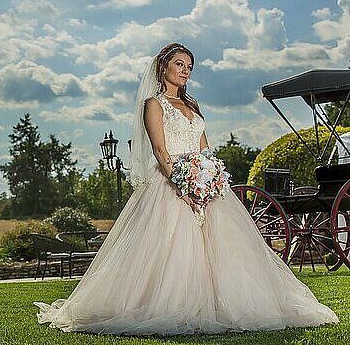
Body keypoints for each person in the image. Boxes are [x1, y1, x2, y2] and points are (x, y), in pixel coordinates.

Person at [33, 43, 339, 336]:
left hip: (204, 180)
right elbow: (159, 150)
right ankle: (166, 305)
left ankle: (225, 304)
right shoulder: (154, 104)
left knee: (224, 249)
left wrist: (212, 176)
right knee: (171, 248)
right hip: (170, 182)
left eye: (189, 67)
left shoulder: (192, 104)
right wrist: (185, 185)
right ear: (163, 66)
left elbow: (204, 149)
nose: (185, 71)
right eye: (179, 64)